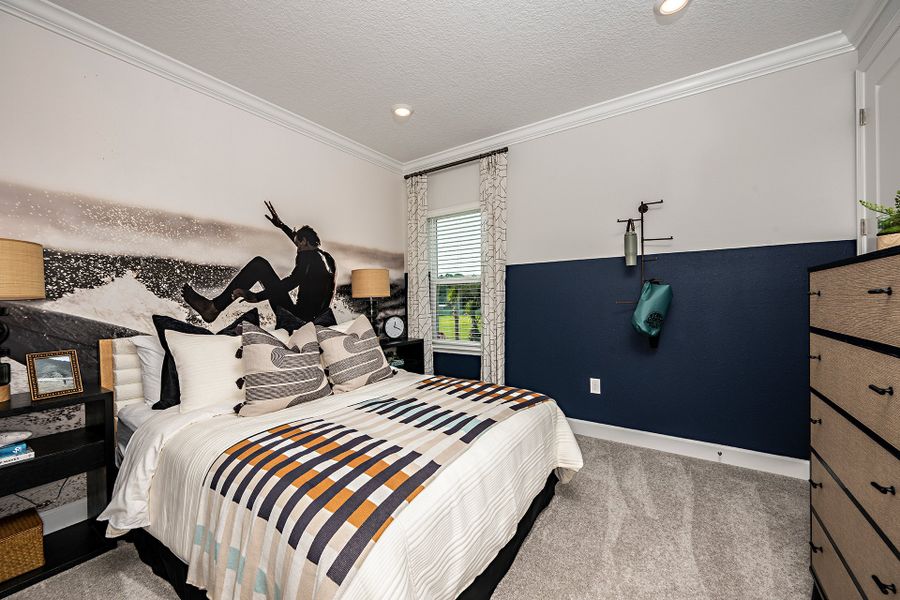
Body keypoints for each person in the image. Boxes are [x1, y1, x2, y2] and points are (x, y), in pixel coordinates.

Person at [182, 201, 337, 325]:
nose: (297, 250)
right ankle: (213, 308)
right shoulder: (327, 259)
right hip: (314, 321)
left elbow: (291, 282)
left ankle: (212, 309)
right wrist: (282, 226)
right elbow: (302, 246)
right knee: (262, 265)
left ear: (304, 242)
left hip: (297, 320)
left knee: (259, 265)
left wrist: (257, 296)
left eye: (298, 245)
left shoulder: (308, 257)